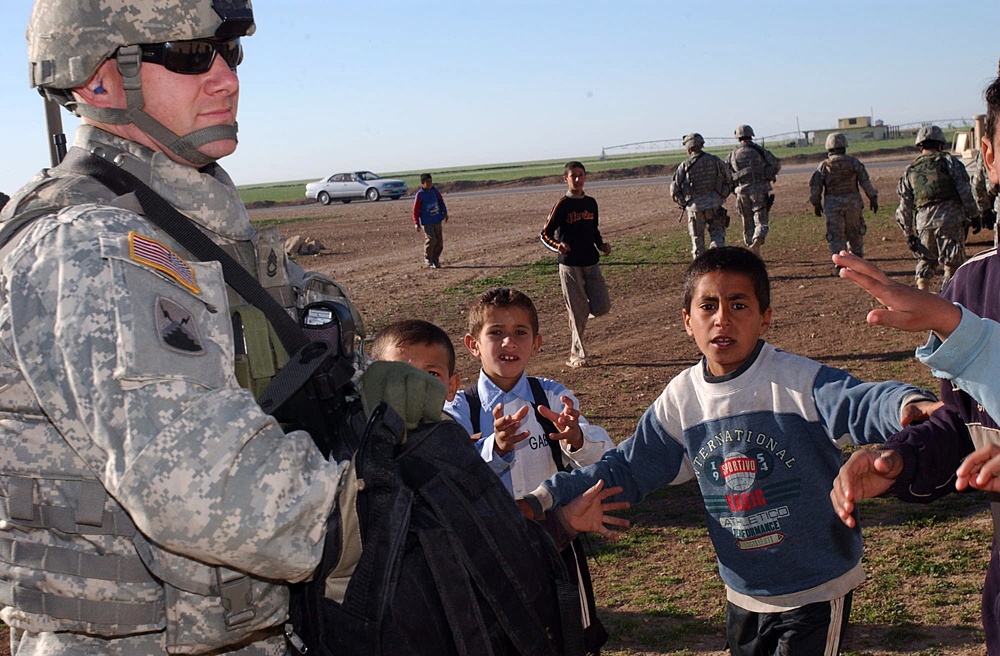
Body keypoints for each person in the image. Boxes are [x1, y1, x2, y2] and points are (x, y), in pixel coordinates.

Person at [0, 2, 444, 653]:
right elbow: (201, 486)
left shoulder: (202, 232)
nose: (226, 78)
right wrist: (397, 521)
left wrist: (365, 394)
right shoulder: (91, 247)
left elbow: (284, 366)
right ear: (97, 81)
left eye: (228, 51)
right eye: (188, 54)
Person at [520, 247, 939, 656]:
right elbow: (627, 468)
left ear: (765, 317)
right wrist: (545, 498)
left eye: (739, 305)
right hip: (742, 589)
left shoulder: (797, 381)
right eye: (708, 306)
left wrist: (908, 406)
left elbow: (861, 401)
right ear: (688, 321)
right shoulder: (682, 399)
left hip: (814, 585)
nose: (722, 318)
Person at [445, 286, 614, 654]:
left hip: (557, 541)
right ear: (473, 344)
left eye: (520, 332)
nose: (509, 341)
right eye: (496, 332)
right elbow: (454, 472)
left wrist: (575, 438)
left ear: (536, 344)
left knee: (573, 636)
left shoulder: (551, 397)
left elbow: (603, 456)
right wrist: (495, 447)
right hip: (487, 549)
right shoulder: (460, 409)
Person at [370, 317, 631, 550]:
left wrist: (559, 514)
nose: (417, 385)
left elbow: (604, 460)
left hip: (545, 547)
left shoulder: (549, 396)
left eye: (431, 374)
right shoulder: (356, 455)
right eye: (401, 373)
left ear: (451, 386)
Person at [540, 161, 612, 368]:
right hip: (570, 265)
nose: (578, 179)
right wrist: (557, 246)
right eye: (574, 176)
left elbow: (594, 230)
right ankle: (576, 354)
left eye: (581, 175)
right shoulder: (562, 205)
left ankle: (576, 313)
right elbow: (544, 234)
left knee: (602, 307)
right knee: (579, 312)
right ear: (566, 179)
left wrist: (601, 245)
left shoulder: (591, 203)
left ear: (585, 177)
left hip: (591, 262)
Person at [896, 124, 980, 290]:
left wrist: (909, 233)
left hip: (924, 222)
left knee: (926, 259)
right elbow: (964, 190)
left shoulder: (911, 170)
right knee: (952, 263)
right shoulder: (950, 162)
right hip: (950, 219)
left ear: (920, 146)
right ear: (940, 144)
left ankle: (923, 291)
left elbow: (904, 205)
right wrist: (975, 214)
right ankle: (949, 299)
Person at [808, 132, 879, 265]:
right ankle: (858, 264)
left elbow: (815, 188)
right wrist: (873, 198)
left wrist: (816, 204)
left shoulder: (823, 166)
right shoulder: (854, 163)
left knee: (836, 237)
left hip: (833, 206)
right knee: (855, 234)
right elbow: (865, 182)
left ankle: (840, 265)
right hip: (853, 205)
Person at [670, 132, 733, 259]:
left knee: (698, 242)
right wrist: (722, 196)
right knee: (717, 234)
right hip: (715, 205)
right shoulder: (715, 160)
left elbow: (674, 190)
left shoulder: (684, 166)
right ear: (701, 144)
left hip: (695, 208)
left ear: (688, 148)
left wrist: (685, 203)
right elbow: (729, 179)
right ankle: (716, 262)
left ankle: (700, 271)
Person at [726, 125, 781, 258]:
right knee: (760, 221)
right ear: (751, 135)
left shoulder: (733, 154)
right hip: (759, 191)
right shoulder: (759, 151)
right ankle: (757, 241)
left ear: (738, 137)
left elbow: (726, 174)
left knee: (747, 221)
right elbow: (776, 165)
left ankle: (750, 247)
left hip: (741, 192)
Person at [412, 172, 448, 268]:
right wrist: (416, 222)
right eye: (427, 181)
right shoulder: (420, 195)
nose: (430, 183)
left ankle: (435, 260)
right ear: (422, 183)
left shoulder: (435, 192)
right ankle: (428, 258)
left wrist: (445, 212)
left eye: (431, 181)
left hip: (437, 220)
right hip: (426, 222)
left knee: (439, 242)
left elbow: (441, 202)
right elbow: (415, 210)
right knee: (431, 239)